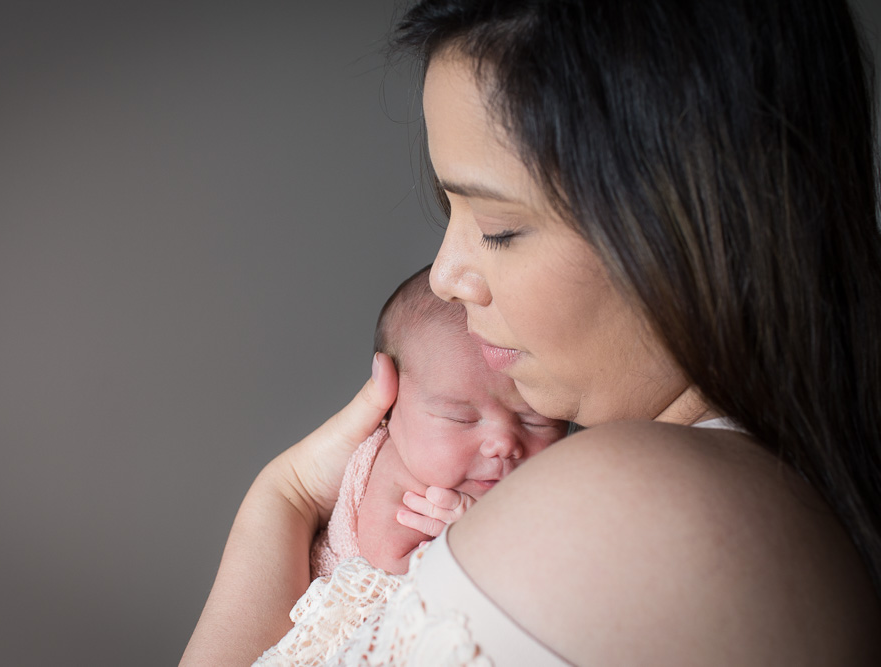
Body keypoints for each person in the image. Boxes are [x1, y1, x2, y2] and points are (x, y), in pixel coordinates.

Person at [181, 0, 881, 664]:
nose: (448, 273)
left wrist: (287, 494)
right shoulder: (759, 495)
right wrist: (290, 494)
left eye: (498, 228)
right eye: (448, 210)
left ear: (695, 218)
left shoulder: (630, 502)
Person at [310, 265, 568, 577]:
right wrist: (477, 538)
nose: (504, 443)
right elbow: (392, 575)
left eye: (534, 420)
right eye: (462, 418)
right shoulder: (400, 480)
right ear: (390, 410)